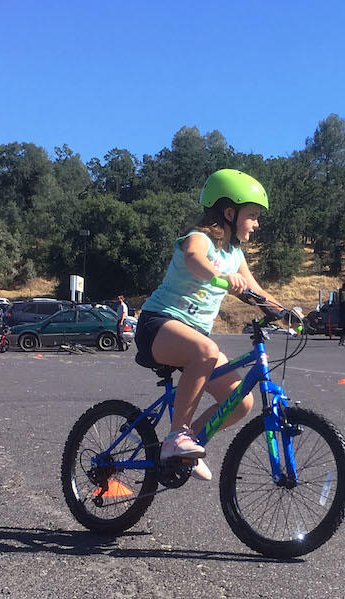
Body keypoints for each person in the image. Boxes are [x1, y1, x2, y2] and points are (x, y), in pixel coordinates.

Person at [135, 169, 277, 482]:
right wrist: (222, 277)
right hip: (158, 324)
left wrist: (290, 314)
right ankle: (177, 437)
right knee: (206, 349)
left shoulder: (234, 253)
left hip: (194, 339)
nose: (257, 224)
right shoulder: (199, 239)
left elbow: (256, 291)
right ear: (229, 212)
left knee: (240, 401)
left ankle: (188, 447)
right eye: (252, 215)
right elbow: (194, 260)